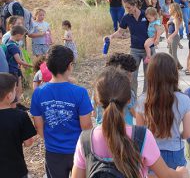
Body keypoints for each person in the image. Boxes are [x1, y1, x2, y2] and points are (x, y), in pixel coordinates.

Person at [71, 68, 189, 178]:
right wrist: (181, 173)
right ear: (128, 100)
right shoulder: (142, 136)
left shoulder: (85, 140)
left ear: (97, 100)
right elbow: (166, 175)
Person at [30, 45, 93, 178]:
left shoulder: (38, 93)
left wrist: (51, 141)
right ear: (70, 65)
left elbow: (38, 126)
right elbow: (86, 126)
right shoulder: (80, 93)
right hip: (78, 149)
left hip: (53, 151)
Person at [136, 53, 190, 170]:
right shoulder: (184, 99)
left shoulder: (142, 100)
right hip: (175, 152)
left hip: (150, 153)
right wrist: (177, 135)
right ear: (174, 74)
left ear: (150, 75)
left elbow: (140, 134)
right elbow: (188, 133)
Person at [105, 0, 160, 94]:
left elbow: (157, 26)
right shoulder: (126, 18)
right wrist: (111, 36)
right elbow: (120, 31)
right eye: (125, 7)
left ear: (135, 5)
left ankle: (146, 97)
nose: (127, 10)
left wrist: (156, 39)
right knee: (132, 74)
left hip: (148, 50)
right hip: (134, 50)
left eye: (128, 7)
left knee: (149, 75)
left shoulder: (145, 14)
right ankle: (133, 97)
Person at [0, 72, 37, 178]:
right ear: (9, 96)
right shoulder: (20, 116)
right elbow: (28, 142)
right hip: (16, 170)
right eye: (15, 90)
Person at [92, 53, 138, 126]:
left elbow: (93, 113)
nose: (130, 79)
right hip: (125, 131)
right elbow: (136, 114)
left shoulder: (99, 88)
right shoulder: (128, 92)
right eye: (129, 75)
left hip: (102, 129)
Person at [6, 26, 32, 110]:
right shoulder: (13, 46)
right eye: (22, 36)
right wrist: (32, 65)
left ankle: (17, 104)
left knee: (18, 85)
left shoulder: (9, 42)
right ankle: (14, 106)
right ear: (17, 35)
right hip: (13, 70)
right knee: (14, 88)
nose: (21, 38)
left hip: (14, 69)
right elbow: (19, 61)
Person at [167, 3, 183, 69]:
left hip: (174, 37)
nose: (168, 10)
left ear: (174, 10)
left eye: (170, 8)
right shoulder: (172, 17)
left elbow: (176, 31)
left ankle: (175, 68)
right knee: (170, 52)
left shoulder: (176, 19)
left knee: (173, 54)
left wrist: (170, 37)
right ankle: (179, 66)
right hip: (172, 36)